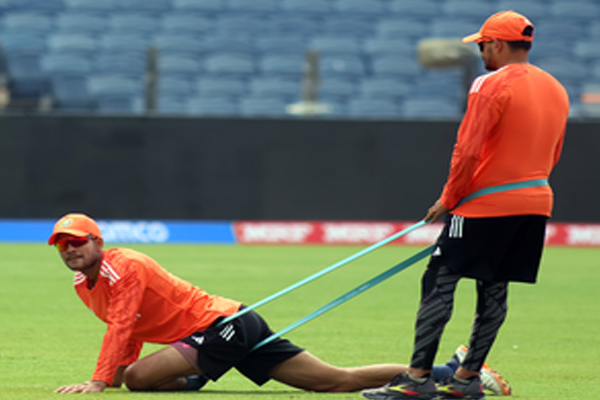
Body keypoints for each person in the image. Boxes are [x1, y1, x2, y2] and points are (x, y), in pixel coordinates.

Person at [49, 213, 511, 395]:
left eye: (77, 242)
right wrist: (111, 374)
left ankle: (196, 375)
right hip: (225, 331)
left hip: (222, 325)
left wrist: (101, 381)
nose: (70, 250)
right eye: (62, 245)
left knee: (138, 380)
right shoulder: (81, 285)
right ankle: (455, 370)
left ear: (97, 242)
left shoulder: (124, 266)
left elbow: (120, 325)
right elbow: (126, 327)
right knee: (334, 381)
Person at [363, 10, 569, 400]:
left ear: (497, 44)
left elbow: (468, 150)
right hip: (536, 200)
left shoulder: (489, 83)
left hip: (485, 204)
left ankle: (417, 379)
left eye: (482, 45)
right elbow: (555, 151)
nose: (481, 52)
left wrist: (449, 198)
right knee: (495, 289)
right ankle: (466, 379)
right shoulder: (556, 88)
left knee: (440, 279)